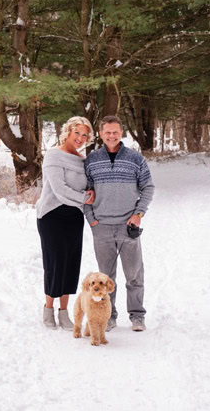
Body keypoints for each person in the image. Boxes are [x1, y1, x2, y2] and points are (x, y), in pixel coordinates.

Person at [83, 115, 154, 332]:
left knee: (134, 275)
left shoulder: (135, 159)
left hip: (127, 225)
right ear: (101, 134)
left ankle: (137, 316)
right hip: (101, 227)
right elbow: (85, 191)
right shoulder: (92, 160)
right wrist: (91, 219)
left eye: (115, 132)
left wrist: (138, 214)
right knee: (104, 278)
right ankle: (109, 317)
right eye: (107, 132)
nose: (111, 136)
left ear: (121, 133)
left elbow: (148, 187)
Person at [36, 116, 96, 330]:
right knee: (54, 263)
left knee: (70, 264)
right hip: (52, 216)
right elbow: (59, 189)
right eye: (77, 132)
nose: (80, 138)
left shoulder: (83, 161)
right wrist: (84, 198)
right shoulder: (54, 155)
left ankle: (64, 313)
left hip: (74, 217)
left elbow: (87, 187)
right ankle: (48, 310)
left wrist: (90, 195)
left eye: (84, 135)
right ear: (68, 132)